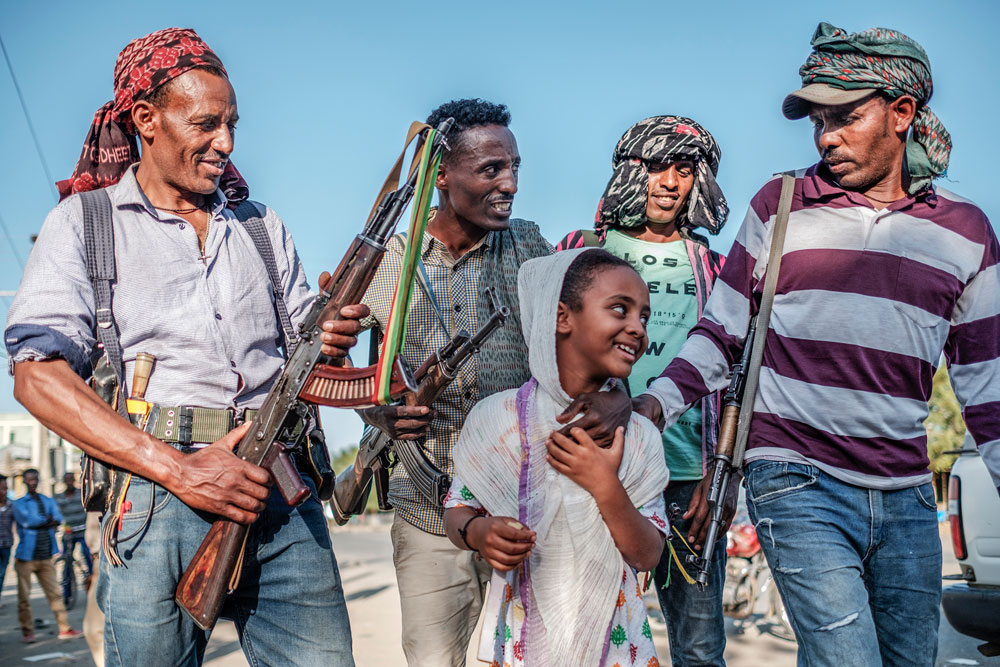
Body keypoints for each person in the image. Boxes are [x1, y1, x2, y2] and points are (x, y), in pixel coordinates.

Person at [634, 22, 1000, 667]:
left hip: (909, 493)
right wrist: (653, 406)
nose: (825, 136)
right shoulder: (780, 205)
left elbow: (987, 385)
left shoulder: (965, 232)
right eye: (817, 121)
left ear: (902, 113)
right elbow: (721, 333)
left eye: (845, 117)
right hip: (795, 477)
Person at [5, 28, 365, 666]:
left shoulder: (260, 226)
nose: (226, 143)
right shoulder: (85, 224)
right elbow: (37, 376)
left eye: (231, 124)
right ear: (146, 119)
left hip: (281, 488)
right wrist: (178, 470)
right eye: (205, 124)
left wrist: (333, 337)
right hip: (154, 501)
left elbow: (310, 360)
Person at [359, 98, 632, 666]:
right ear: (440, 175)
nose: (510, 183)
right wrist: (378, 413)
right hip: (428, 511)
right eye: (490, 169)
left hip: (524, 509)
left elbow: (590, 338)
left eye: (514, 167)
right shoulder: (389, 259)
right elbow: (342, 366)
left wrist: (618, 397)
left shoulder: (529, 247)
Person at [557, 115, 731, 666]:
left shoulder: (717, 269)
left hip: (688, 481)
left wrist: (720, 473)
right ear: (632, 172)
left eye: (685, 170)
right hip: (594, 468)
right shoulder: (581, 251)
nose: (670, 182)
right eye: (657, 167)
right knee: (583, 636)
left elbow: (736, 372)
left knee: (699, 647)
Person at [443, 249, 670, 666]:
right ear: (562, 316)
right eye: (620, 309)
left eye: (644, 317)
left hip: (617, 646)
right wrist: (479, 532)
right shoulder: (498, 419)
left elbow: (648, 555)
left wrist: (604, 485)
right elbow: (457, 510)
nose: (638, 328)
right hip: (522, 639)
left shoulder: (639, 437)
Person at [12, 469, 83, 642]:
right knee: (24, 598)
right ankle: (27, 632)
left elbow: (58, 518)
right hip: (26, 557)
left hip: (46, 556)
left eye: (35, 479)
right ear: (24, 481)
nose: (33, 482)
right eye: (29, 479)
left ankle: (64, 628)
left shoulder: (47, 500)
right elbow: (27, 521)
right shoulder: (19, 503)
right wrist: (47, 521)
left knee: (55, 594)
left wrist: (44, 521)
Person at [55, 472, 94, 598]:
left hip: (83, 532)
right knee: (67, 562)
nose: (69, 482)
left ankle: (93, 588)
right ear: (64, 482)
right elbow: (57, 514)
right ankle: (67, 594)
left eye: (71, 479)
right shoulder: (59, 497)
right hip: (69, 534)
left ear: (74, 480)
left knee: (89, 558)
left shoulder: (81, 494)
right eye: (67, 480)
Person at [0, 474, 13, 606]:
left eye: (6, 488)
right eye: (2, 488)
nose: (4, 491)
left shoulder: (11, 505)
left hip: (6, 545)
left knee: (1, 574)